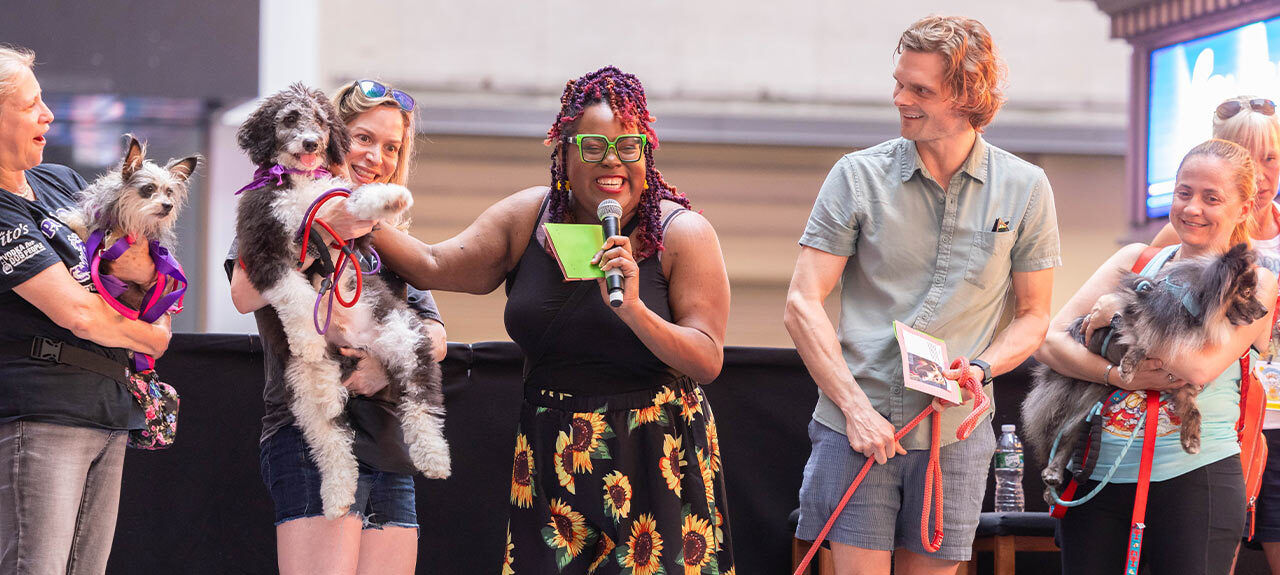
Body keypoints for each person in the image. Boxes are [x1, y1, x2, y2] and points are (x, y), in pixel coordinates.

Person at [369, 66, 734, 574]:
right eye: (593, 147)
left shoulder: (683, 233)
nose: (612, 161)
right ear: (562, 152)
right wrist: (342, 204)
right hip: (551, 449)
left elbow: (707, 358)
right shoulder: (527, 218)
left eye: (629, 147)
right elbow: (432, 263)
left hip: (655, 450)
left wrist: (633, 308)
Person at [783, 16, 1060, 574]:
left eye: (920, 90)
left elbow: (1034, 317)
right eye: (899, 83)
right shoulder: (855, 176)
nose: (899, 99)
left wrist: (981, 369)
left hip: (954, 432)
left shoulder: (1026, 187)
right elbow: (800, 302)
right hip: (856, 428)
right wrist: (857, 412)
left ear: (968, 93)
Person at [227, 78, 446, 575]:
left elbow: (435, 334)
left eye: (392, 147)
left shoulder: (388, 236)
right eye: (365, 138)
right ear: (332, 136)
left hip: (390, 443)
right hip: (311, 431)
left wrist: (383, 368)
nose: (376, 157)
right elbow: (243, 294)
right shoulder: (272, 204)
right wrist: (323, 231)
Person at [1036, 139, 1276, 574]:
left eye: (1212, 198)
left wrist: (1125, 309)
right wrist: (1118, 376)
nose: (1192, 208)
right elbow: (1048, 340)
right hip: (1097, 473)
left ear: (1244, 208)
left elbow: (1199, 366)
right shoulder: (1137, 258)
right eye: (1184, 193)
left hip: (1194, 478)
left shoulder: (1253, 282)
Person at [0, 45, 172, 574]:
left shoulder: (65, 183)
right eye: (32, 105)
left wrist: (150, 316)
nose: (48, 115)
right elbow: (77, 312)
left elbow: (155, 275)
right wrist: (147, 335)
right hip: (41, 410)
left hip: (109, 405)